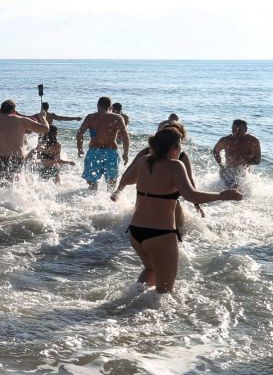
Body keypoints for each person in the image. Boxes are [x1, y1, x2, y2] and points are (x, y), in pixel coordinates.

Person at [111, 129, 241, 292]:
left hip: (135, 231)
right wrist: (221, 195)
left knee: (151, 270)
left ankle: (129, 301)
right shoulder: (175, 165)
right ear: (174, 147)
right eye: (179, 145)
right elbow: (191, 195)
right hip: (160, 234)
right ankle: (141, 307)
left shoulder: (144, 160)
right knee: (164, 292)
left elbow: (126, 179)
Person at [77, 96, 130, 190]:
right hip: (111, 152)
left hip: (94, 152)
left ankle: (91, 199)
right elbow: (125, 135)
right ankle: (109, 199)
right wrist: (125, 153)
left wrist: (80, 149)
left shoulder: (90, 117)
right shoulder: (117, 117)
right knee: (111, 184)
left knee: (92, 184)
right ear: (110, 107)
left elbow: (80, 133)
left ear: (97, 105)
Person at [212, 119, 261, 189]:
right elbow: (215, 151)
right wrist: (221, 165)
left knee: (239, 192)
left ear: (246, 130)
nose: (237, 132)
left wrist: (244, 160)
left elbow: (257, 161)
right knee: (228, 192)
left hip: (243, 173)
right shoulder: (225, 140)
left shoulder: (253, 141)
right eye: (234, 129)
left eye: (240, 130)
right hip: (228, 171)